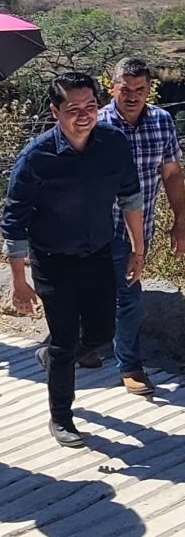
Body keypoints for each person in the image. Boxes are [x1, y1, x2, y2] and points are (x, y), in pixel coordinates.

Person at [1, 72, 144, 449]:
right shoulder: (37, 157)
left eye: (91, 107)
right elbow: (13, 220)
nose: (84, 116)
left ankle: (51, 356)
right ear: (55, 112)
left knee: (101, 333)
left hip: (98, 253)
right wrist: (19, 281)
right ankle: (62, 417)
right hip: (52, 261)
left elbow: (130, 196)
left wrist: (138, 248)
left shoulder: (113, 143)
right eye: (73, 109)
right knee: (66, 340)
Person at [96, 58, 185, 395]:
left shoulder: (161, 122)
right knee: (124, 296)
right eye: (125, 89)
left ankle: (91, 350)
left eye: (140, 90)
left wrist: (180, 220)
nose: (133, 96)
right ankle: (128, 365)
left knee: (122, 294)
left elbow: (172, 174)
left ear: (150, 89)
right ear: (111, 88)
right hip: (96, 227)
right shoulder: (96, 123)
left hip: (138, 230)